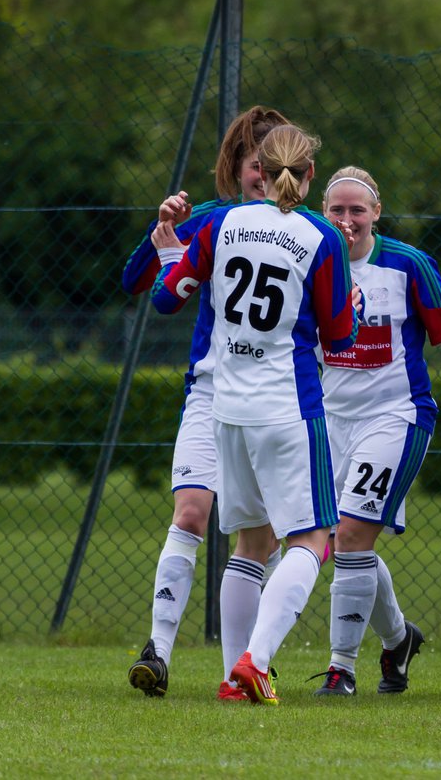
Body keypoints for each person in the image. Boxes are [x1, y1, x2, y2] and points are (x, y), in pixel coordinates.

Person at [150, 124, 359, 705]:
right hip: (288, 408)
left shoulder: (220, 224)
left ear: (258, 171)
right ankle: (255, 662)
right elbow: (340, 338)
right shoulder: (321, 236)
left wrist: (172, 255)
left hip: (228, 410)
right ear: (310, 174)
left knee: (250, 543)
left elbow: (167, 296)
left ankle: (231, 680)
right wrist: (350, 307)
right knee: (312, 539)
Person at [121, 105, 291, 700]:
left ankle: (245, 664)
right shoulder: (214, 220)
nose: (264, 178)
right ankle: (158, 651)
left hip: (276, 400)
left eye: (275, 166)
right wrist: (161, 232)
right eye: (254, 166)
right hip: (213, 392)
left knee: (261, 536)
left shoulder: (308, 228)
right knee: (191, 512)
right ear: (237, 170)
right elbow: (139, 282)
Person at [308, 165, 441, 697]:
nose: (346, 220)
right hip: (328, 419)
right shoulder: (311, 260)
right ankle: (399, 638)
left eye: (356, 209)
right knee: (343, 541)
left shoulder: (407, 264)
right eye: (335, 210)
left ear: (375, 213)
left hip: (396, 416)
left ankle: (341, 669)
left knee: (355, 533)